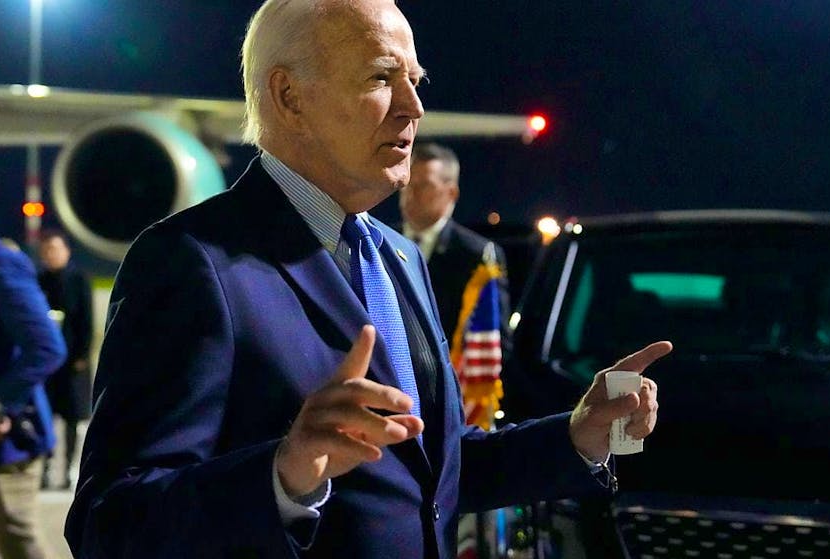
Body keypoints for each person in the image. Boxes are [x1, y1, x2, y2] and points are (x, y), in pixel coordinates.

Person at [64, 1, 672, 558]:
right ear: (289, 96)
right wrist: (283, 476)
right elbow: (108, 524)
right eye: (382, 78)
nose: (414, 106)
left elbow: (432, 471)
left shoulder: (398, 257)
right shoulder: (192, 262)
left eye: (415, 80)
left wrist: (576, 437)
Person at [400, 143, 511, 349]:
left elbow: (494, 341)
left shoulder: (476, 254)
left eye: (424, 185)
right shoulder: (377, 240)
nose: (410, 193)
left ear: (451, 193)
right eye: (407, 182)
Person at [0, 238, 66, 559]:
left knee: (18, 541)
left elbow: (47, 348)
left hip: (7, 440)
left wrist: (0, 403)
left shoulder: (2, 263)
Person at [36, 230, 93, 491]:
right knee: (44, 417)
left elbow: (87, 321)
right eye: (47, 250)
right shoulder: (39, 281)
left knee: (73, 420)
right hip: (46, 366)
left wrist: (81, 355)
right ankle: (45, 469)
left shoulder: (79, 280)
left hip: (73, 365)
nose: (52, 255)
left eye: (56, 249)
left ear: (67, 252)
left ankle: (71, 470)